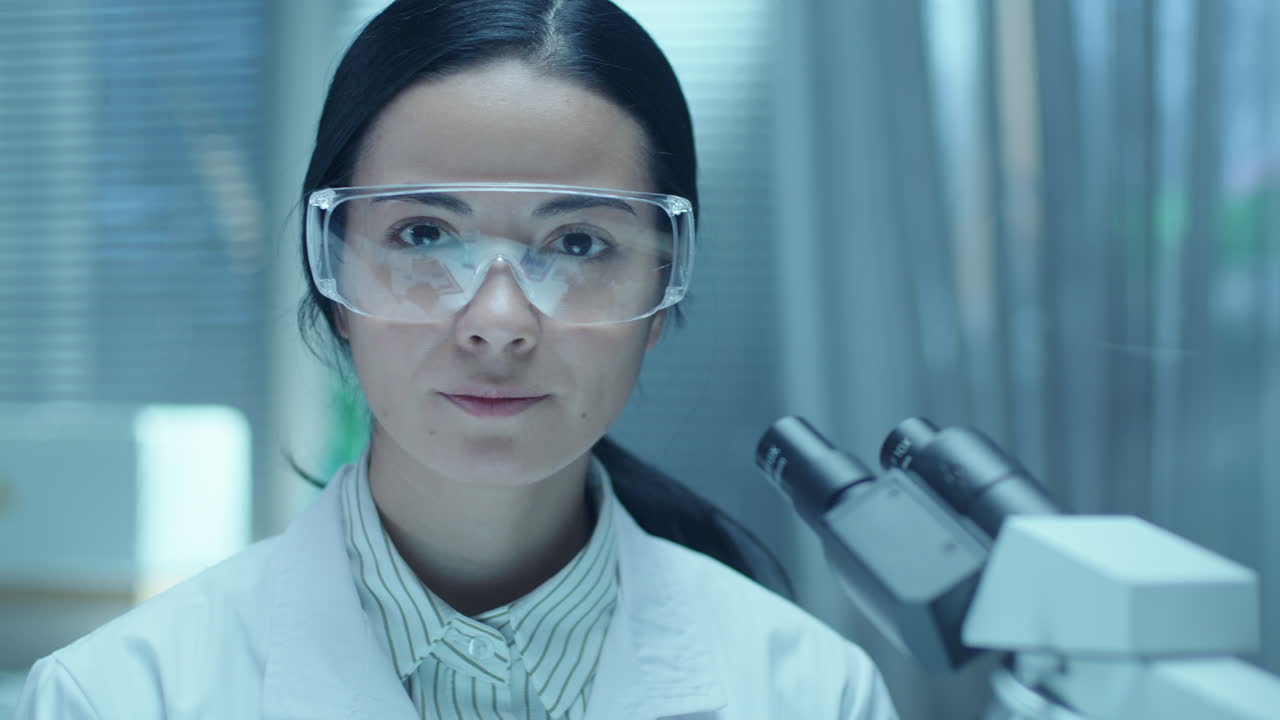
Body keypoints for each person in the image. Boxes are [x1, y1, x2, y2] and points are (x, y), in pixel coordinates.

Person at [16, 1, 898, 717]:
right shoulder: (125, 696)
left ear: (661, 294)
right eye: (425, 235)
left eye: (581, 243)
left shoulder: (810, 692)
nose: (499, 323)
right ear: (333, 278)